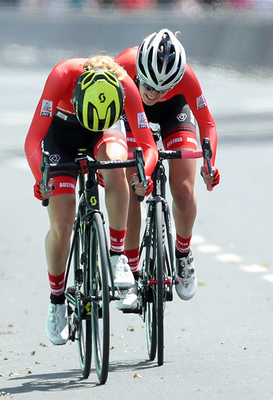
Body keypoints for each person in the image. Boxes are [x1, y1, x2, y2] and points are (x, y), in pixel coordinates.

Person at [24, 56, 158, 345]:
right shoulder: (61, 76)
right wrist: (41, 179)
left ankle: (116, 254)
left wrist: (143, 175)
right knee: (62, 223)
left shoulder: (124, 84)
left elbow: (148, 146)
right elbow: (32, 140)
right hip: (61, 135)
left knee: (116, 165)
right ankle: (57, 300)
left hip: (105, 131)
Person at [114, 28, 220, 310]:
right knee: (131, 183)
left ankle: (183, 254)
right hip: (131, 114)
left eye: (162, 88)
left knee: (183, 190)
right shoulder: (123, 64)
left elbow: (207, 123)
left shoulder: (186, 77)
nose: (153, 93)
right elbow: (107, 119)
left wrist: (209, 163)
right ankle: (133, 273)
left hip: (175, 114)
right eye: (148, 86)